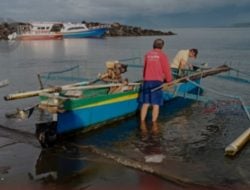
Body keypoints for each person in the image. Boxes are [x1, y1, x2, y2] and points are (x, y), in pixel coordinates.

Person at [139, 38, 173, 123]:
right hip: (157, 82)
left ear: (153, 45)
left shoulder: (148, 54)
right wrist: (169, 81)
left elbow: (144, 69)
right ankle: (154, 124)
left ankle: (142, 123)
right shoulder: (162, 55)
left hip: (147, 81)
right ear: (162, 46)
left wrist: (144, 77)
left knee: (145, 103)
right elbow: (166, 70)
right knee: (156, 104)